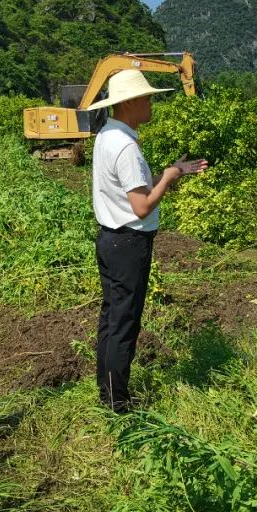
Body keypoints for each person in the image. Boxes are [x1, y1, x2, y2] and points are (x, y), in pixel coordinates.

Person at [88, 69, 208, 412]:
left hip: (111, 240)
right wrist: (169, 177)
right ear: (130, 103)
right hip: (128, 244)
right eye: (147, 98)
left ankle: (107, 390)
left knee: (112, 317)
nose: (151, 104)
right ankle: (118, 403)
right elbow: (141, 206)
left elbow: (133, 190)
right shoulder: (125, 146)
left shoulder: (107, 135)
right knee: (124, 321)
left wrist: (171, 172)